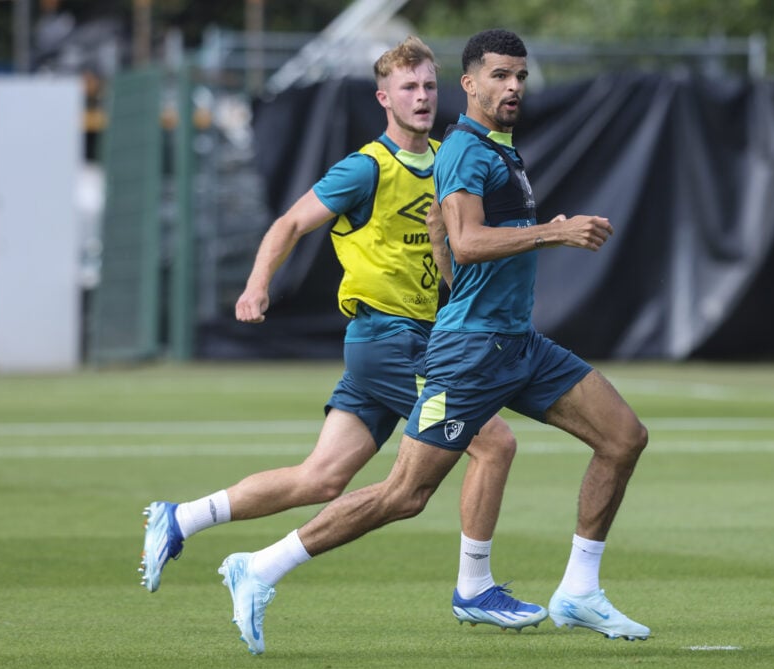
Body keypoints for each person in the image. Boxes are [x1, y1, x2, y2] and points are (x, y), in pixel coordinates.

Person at [216, 28, 651, 656]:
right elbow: (474, 242)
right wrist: (553, 234)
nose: (513, 87)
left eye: (520, 77)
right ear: (470, 84)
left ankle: (579, 590)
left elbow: (460, 255)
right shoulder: (468, 152)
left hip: (517, 344)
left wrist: (489, 235)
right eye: (499, 75)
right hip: (469, 354)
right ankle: (261, 567)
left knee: (623, 437)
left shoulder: (499, 150)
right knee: (404, 494)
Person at [140, 34, 546, 636]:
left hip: (412, 339)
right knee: (493, 443)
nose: (421, 97)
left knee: (321, 478)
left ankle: (182, 518)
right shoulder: (367, 167)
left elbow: (454, 262)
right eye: (408, 87)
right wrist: (256, 286)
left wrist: (442, 244)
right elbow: (290, 223)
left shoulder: (449, 159)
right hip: (391, 339)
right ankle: (474, 587)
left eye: (429, 86)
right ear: (384, 97)